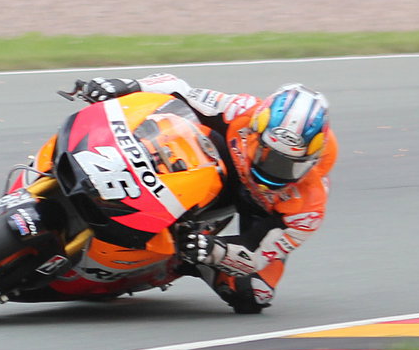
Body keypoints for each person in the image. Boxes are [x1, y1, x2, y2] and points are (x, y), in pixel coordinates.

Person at [66, 73, 337, 313]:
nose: (272, 169)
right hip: (216, 161)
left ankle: (171, 263)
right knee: (172, 121)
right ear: (255, 132)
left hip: (260, 213)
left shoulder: (309, 206)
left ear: (310, 161)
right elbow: (179, 89)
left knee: (253, 294)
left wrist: (213, 252)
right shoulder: (242, 110)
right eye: (265, 154)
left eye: (287, 165)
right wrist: (128, 85)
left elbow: (258, 254)